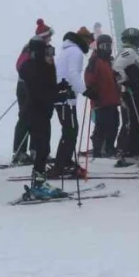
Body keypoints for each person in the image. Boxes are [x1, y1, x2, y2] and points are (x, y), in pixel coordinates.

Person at [20, 38, 68, 197]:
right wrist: (61, 96)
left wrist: (60, 88)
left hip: (41, 112)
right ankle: (38, 185)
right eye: (47, 52)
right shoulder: (34, 69)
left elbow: (47, 88)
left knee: (43, 148)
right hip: (35, 112)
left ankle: (39, 181)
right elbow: (41, 94)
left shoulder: (42, 67)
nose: (50, 56)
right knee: (42, 149)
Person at [51, 27, 92, 178]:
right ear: (83, 39)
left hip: (64, 96)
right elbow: (73, 74)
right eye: (89, 40)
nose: (89, 43)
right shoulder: (76, 52)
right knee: (70, 130)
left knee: (70, 130)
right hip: (65, 97)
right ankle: (61, 165)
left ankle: (65, 161)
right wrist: (85, 90)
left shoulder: (68, 50)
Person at [11, 20, 54, 165]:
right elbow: (20, 66)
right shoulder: (30, 47)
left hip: (39, 86)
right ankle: (19, 152)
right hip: (26, 86)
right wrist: (33, 78)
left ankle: (37, 150)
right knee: (25, 117)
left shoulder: (46, 49)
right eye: (48, 36)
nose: (50, 38)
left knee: (40, 118)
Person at [114, 27, 139, 166]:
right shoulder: (128, 52)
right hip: (132, 92)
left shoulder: (133, 53)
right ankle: (131, 153)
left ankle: (135, 151)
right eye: (138, 39)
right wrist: (126, 81)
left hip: (137, 92)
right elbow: (117, 68)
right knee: (138, 121)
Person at [84, 34, 122, 157]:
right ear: (99, 46)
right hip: (100, 99)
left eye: (109, 45)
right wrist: (91, 90)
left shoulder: (110, 61)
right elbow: (89, 76)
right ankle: (98, 150)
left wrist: (118, 78)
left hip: (113, 98)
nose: (106, 48)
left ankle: (109, 147)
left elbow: (114, 76)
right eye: (103, 46)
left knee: (115, 123)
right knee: (102, 125)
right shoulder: (95, 60)